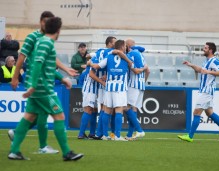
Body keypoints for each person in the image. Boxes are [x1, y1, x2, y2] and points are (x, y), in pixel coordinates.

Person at [8, 17, 84, 161]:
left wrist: (62, 78)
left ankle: (14, 150)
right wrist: (33, 86)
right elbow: (37, 63)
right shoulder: (46, 43)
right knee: (59, 116)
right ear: (58, 30)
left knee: (29, 117)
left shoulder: (42, 41)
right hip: (43, 88)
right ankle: (67, 152)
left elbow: (40, 63)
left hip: (38, 87)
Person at [177, 42, 219, 143]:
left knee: (196, 112)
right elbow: (200, 70)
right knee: (209, 112)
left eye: (205, 48)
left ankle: (190, 136)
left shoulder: (214, 60)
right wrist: (191, 65)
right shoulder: (207, 61)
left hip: (207, 90)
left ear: (210, 50)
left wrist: (208, 72)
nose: (203, 49)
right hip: (205, 90)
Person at [89, 40, 133, 141]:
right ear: (122, 47)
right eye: (125, 46)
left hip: (109, 87)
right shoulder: (128, 58)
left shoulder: (108, 56)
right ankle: (117, 136)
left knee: (107, 110)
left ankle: (105, 135)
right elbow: (132, 66)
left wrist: (90, 63)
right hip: (120, 87)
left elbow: (96, 66)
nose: (126, 48)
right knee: (119, 111)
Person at [124, 38, 150, 140]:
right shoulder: (141, 55)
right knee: (133, 109)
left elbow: (136, 71)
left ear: (127, 46)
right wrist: (143, 82)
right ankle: (130, 135)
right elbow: (148, 71)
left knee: (126, 107)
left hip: (133, 85)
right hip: (140, 85)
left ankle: (139, 130)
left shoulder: (131, 54)